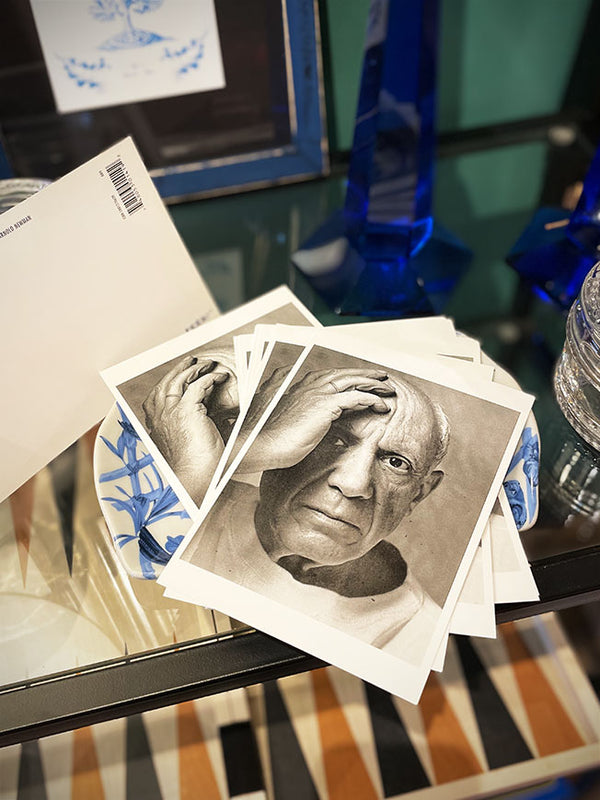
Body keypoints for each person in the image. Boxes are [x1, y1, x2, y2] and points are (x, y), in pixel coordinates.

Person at [181, 366, 451, 655]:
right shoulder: (187, 496)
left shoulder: (419, 638)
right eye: (334, 439)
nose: (353, 483)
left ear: (418, 494)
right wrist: (251, 447)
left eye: (396, 463)